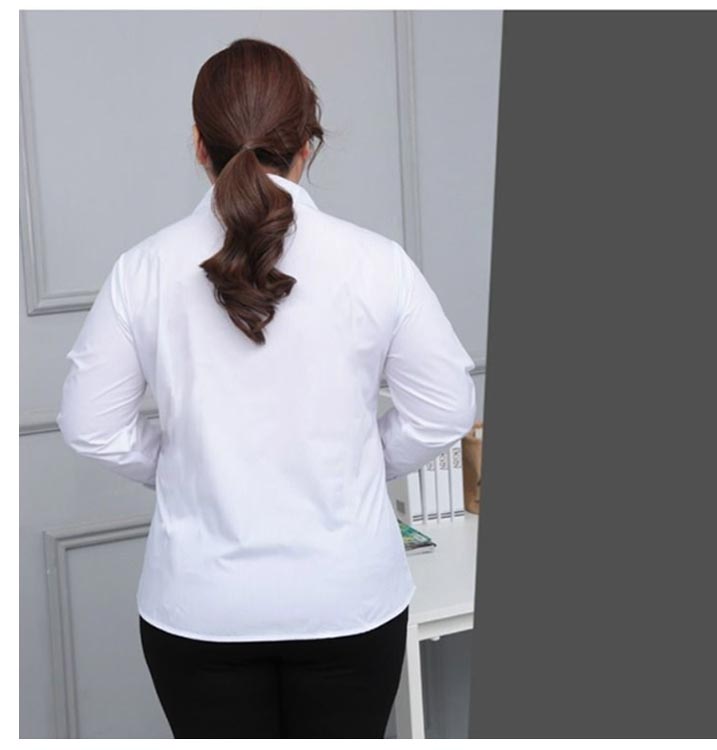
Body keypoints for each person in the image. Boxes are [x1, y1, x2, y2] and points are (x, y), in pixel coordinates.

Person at [56, 37, 476, 739]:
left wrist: (177, 466)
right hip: (349, 603)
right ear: (307, 144)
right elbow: (446, 406)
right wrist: (366, 460)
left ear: (199, 144)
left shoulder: (143, 269)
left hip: (199, 611)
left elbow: (90, 424)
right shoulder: (379, 264)